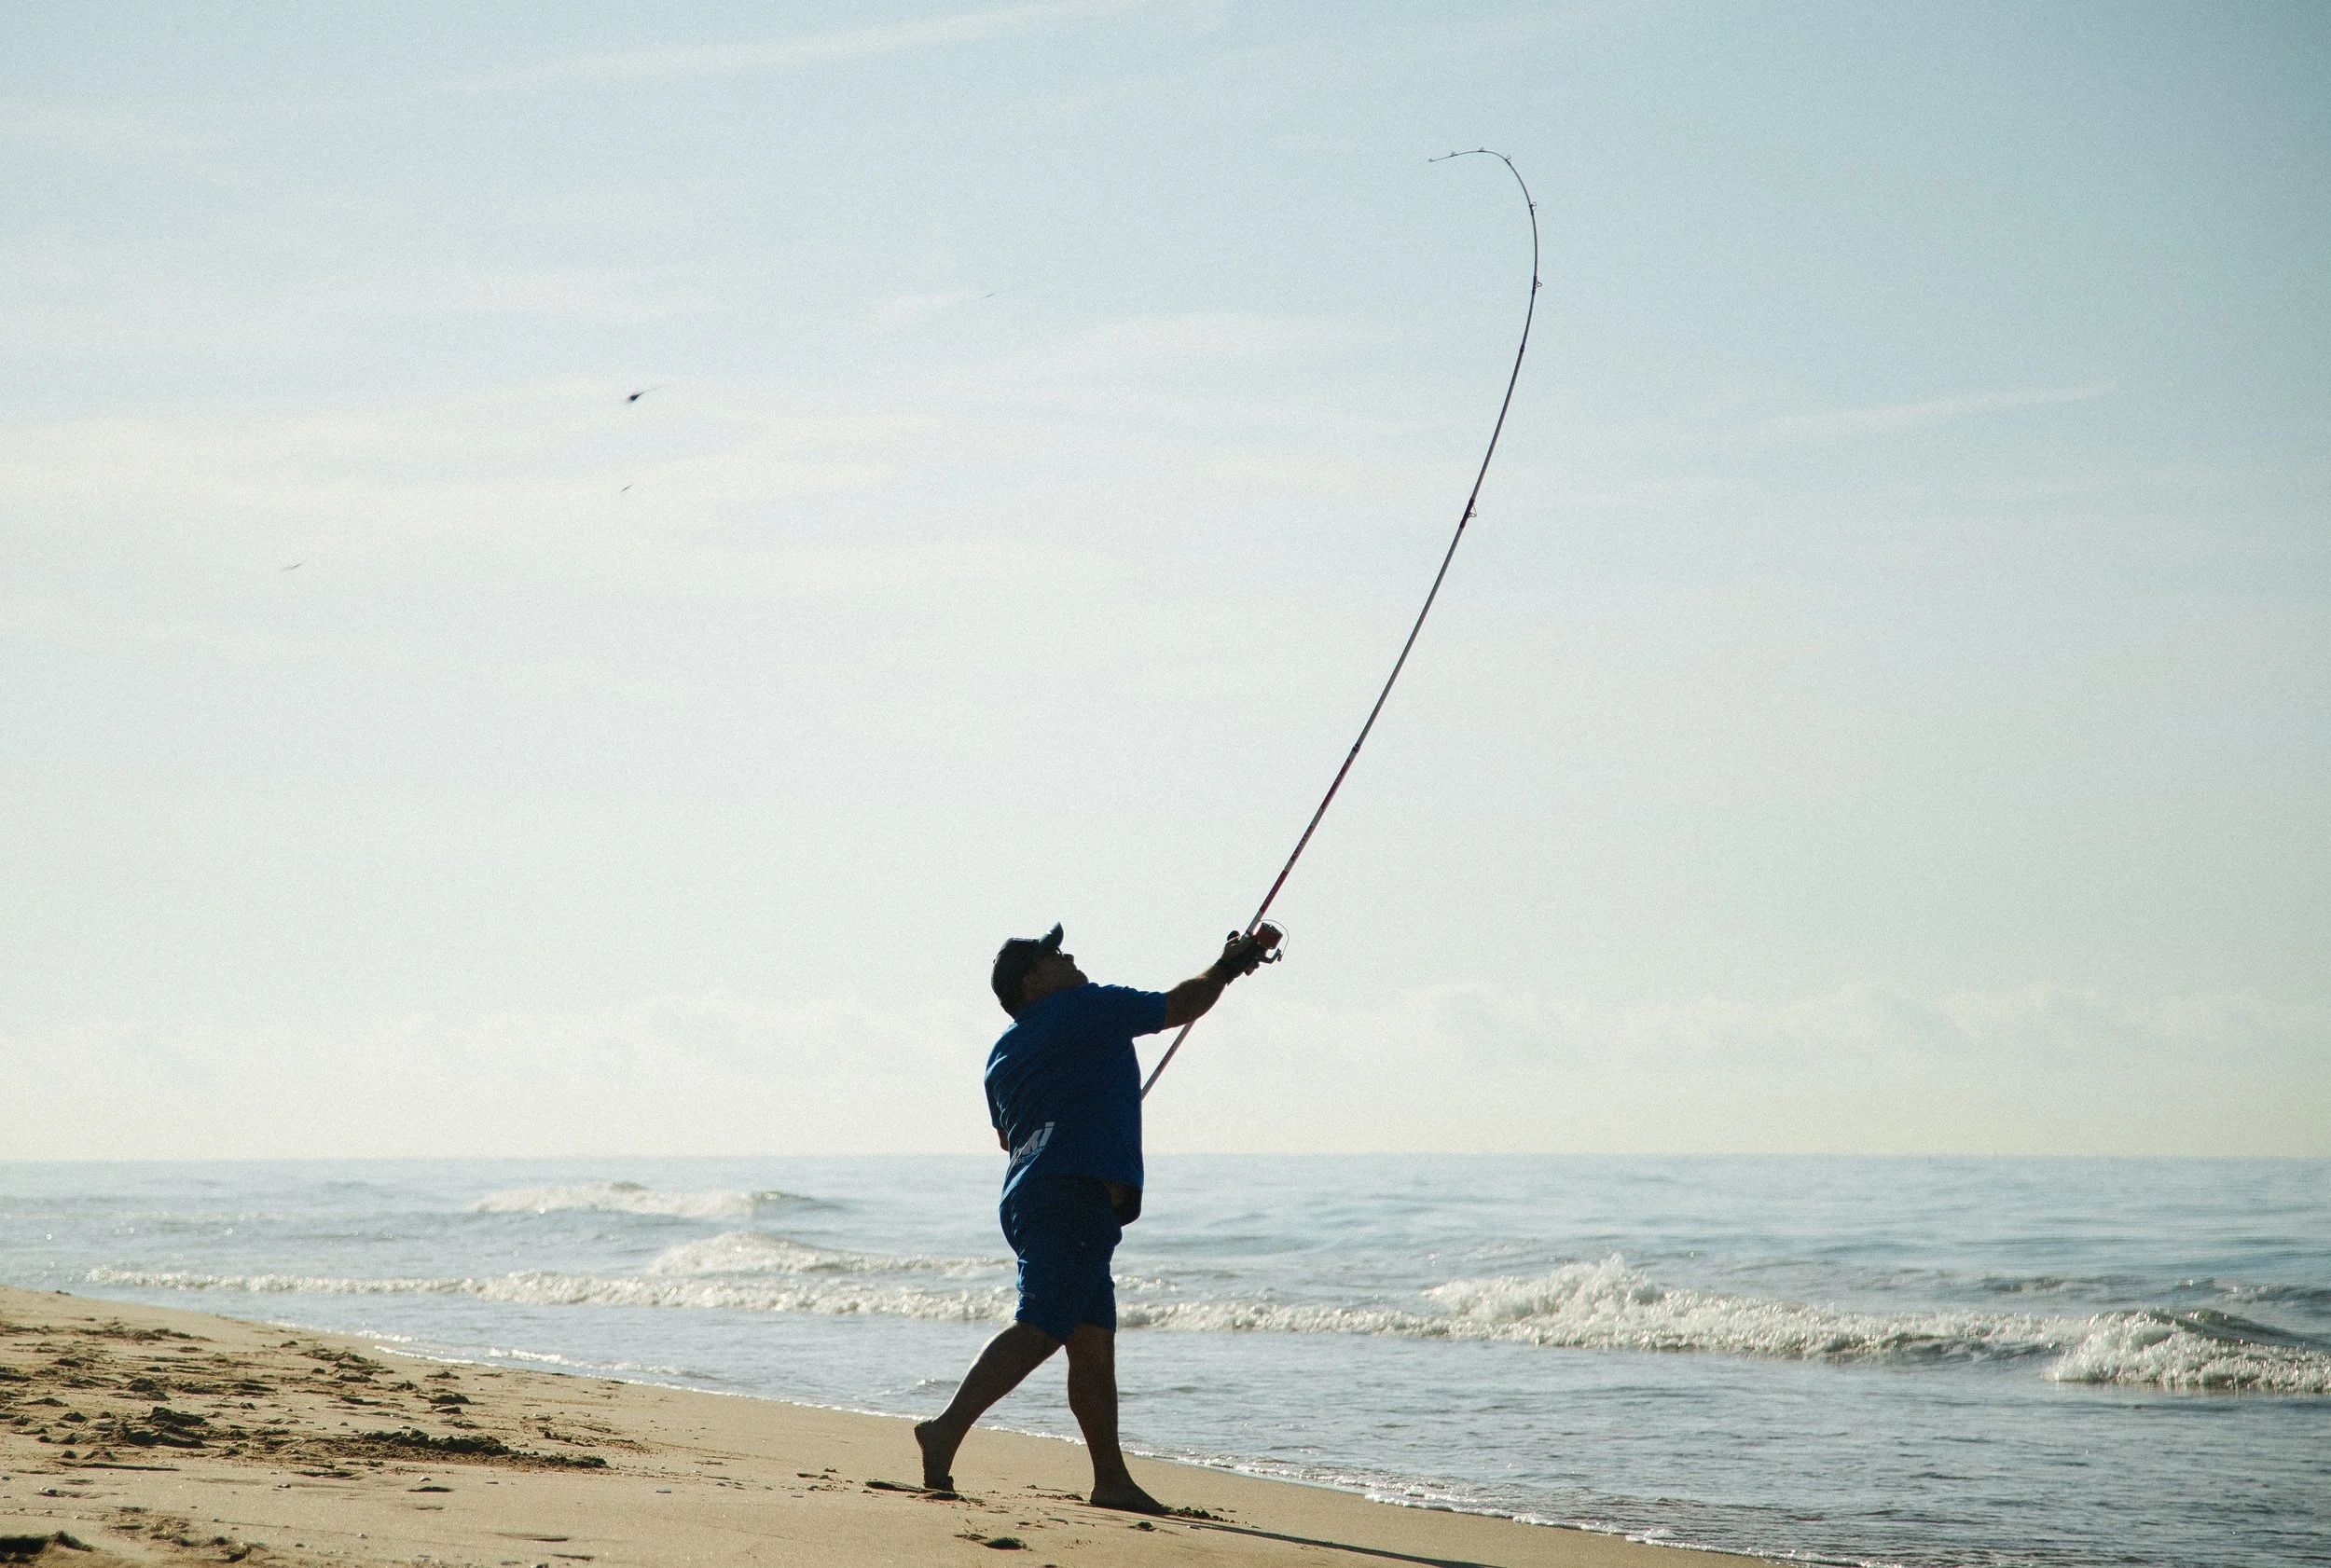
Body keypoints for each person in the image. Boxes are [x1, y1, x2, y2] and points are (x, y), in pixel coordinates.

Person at [913, 920, 1282, 1510]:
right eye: (1056, 954)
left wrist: (1088, 1101)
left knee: (1091, 1344)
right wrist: (1228, 966)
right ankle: (945, 1429)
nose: (1071, 957)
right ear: (1031, 980)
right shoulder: (1085, 1006)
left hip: (1033, 1194)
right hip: (1073, 1193)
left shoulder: (1002, 1053)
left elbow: (1010, 1137)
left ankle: (1110, 1479)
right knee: (1043, 1325)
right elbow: (1178, 1005)